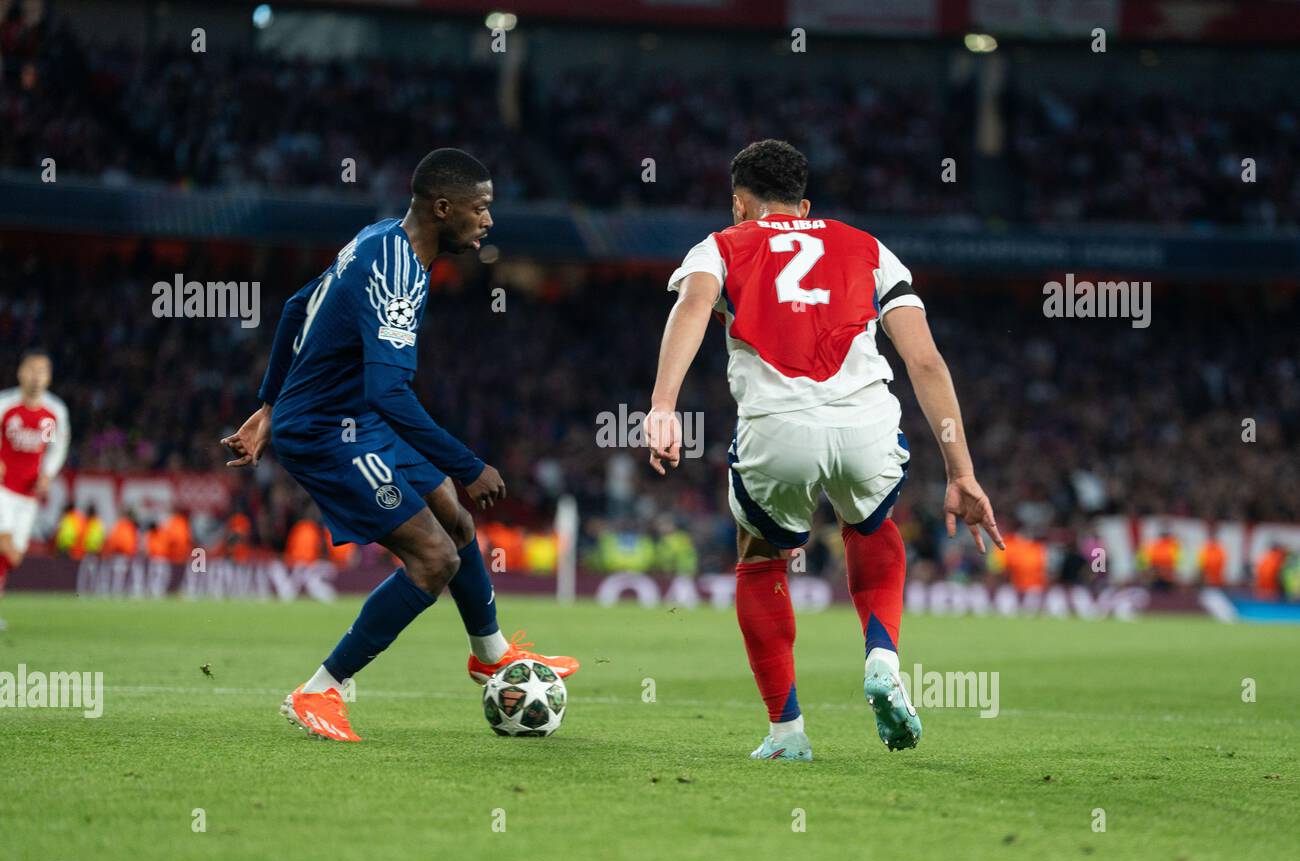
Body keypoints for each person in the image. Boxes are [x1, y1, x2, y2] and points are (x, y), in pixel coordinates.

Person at [646, 139, 1002, 760]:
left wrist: (663, 405)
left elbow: (694, 305)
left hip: (779, 428)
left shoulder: (722, 245)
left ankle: (787, 733)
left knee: (761, 557)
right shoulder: (867, 247)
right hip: (864, 425)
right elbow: (924, 359)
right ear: (804, 202)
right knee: (871, 528)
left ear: (739, 204)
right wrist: (962, 470)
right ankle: (883, 658)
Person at [221, 148, 577, 742]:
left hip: (354, 416)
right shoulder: (394, 272)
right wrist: (468, 464)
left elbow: (293, 309)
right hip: (328, 430)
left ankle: (489, 653)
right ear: (443, 208)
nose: (489, 221)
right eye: (480, 208)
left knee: (457, 523)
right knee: (433, 558)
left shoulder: (382, 237)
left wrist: (266, 405)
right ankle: (320, 689)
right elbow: (388, 392)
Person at [0, 349, 71, 629]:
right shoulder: (6, 405)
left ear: (49, 377)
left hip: (28, 495)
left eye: (42, 371)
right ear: (20, 373)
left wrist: (48, 474)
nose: (36, 376)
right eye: (31, 369)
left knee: (13, 556)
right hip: (3, 489)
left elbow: (58, 446)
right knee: (5, 545)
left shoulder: (54, 412)